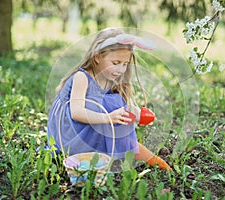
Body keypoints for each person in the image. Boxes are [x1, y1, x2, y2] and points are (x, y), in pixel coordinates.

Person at [47, 27, 172, 171]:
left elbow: (113, 106)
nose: (120, 69)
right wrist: (108, 117)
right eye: (115, 63)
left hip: (94, 121)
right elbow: (76, 113)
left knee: (115, 103)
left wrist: (134, 113)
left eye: (125, 64)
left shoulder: (110, 77)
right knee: (112, 106)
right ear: (97, 57)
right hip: (70, 134)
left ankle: (146, 156)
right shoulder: (82, 77)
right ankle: (139, 153)